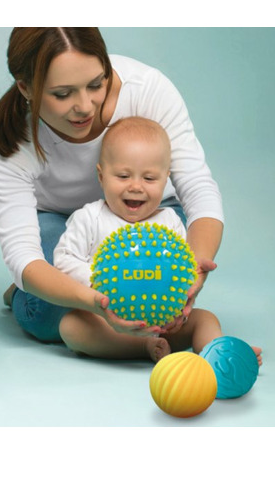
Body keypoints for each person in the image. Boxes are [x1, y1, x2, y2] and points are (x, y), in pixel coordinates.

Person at [0, 27, 225, 346]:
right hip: (64, 226)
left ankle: (122, 334)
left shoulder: (147, 89)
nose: (85, 106)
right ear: (26, 87)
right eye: (62, 93)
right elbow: (22, 255)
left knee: (160, 296)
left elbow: (198, 188)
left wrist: (194, 266)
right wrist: (95, 301)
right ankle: (26, 295)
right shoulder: (10, 142)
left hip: (148, 216)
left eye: (96, 84)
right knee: (45, 316)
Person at [54, 116, 247, 363]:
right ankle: (141, 347)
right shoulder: (90, 217)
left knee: (206, 318)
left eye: (149, 178)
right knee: (71, 327)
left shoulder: (169, 222)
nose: (136, 186)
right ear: (101, 176)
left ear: (166, 179)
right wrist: (104, 278)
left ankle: (220, 358)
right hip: (109, 323)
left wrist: (182, 308)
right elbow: (63, 259)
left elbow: (181, 271)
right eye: (123, 176)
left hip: (163, 324)